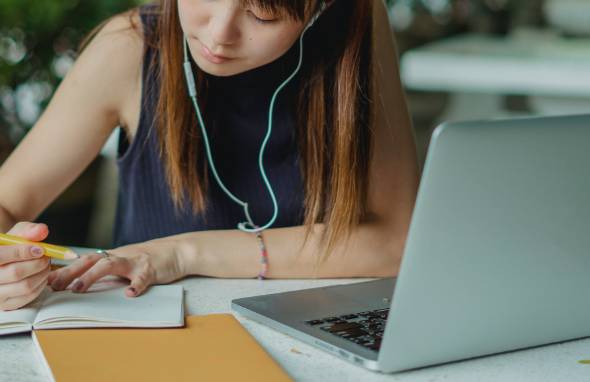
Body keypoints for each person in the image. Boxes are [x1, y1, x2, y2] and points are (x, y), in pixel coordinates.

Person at [0, 0, 418, 311]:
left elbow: (394, 243)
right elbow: (6, 202)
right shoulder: (128, 48)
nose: (220, 34)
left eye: (263, 15)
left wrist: (182, 253)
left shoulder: (353, 32)